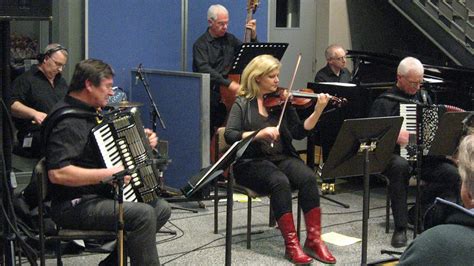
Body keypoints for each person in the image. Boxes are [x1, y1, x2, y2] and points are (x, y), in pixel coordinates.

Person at [43, 59, 171, 265]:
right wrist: (107, 174)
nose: (111, 93)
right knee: (144, 214)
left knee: (160, 208)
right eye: (108, 86)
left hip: (97, 195)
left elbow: (109, 149)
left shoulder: (90, 113)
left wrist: (142, 142)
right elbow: (58, 174)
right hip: (73, 204)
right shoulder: (67, 122)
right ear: (88, 85)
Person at [225, 54, 336, 264]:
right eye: (272, 76)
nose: (277, 81)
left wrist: (318, 110)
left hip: (281, 157)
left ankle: (313, 240)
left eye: (277, 75)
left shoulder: (283, 100)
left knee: (307, 177)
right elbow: (230, 134)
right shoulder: (242, 103)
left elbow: (299, 132)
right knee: (279, 182)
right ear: (257, 78)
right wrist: (259, 133)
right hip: (250, 162)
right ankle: (291, 245)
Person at [369, 56, 461, 248]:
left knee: (452, 174)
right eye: (413, 83)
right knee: (400, 167)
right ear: (399, 78)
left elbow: (432, 130)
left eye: (420, 82)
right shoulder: (384, 102)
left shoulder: (425, 97)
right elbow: (372, 135)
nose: (417, 87)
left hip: (422, 157)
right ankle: (400, 228)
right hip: (393, 156)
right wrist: (394, 135)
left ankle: (416, 211)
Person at [398, 133, 474, 265]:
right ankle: (404, 222)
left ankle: (421, 211)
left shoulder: (434, 242)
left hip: (435, 160)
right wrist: (408, 138)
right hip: (410, 158)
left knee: (451, 174)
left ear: (468, 194)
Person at [193, 4, 257, 136]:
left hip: (229, 93)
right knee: (210, 128)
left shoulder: (230, 39)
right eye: (221, 24)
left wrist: (254, 36)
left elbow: (249, 54)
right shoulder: (200, 45)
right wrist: (229, 83)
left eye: (227, 23)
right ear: (210, 22)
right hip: (210, 95)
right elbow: (205, 69)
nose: (225, 27)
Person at [10, 43, 69, 158]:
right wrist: (34, 113)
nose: (60, 69)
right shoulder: (26, 80)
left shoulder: (61, 82)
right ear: (46, 59)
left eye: (63, 66)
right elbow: (12, 104)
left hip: (59, 130)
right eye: (58, 64)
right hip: (33, 134)